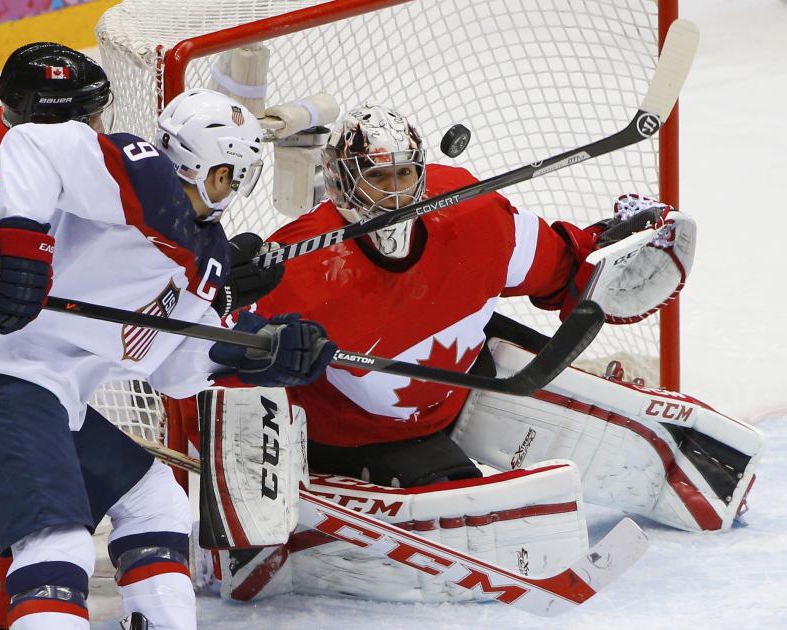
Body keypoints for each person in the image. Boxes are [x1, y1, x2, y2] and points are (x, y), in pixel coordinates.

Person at [185, 102, 762, 603]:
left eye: (404, 174)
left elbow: (563, 270)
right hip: (355, 436)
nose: (393, 192)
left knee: (630, 435)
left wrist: (612, 261)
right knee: (506, 513)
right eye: (374, 179)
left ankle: (692, 476)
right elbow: (210, 369)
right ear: (339, 185)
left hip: (470, 386)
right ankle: (269, 549)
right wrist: (260, 361)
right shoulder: (297, 267)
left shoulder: (471, 212)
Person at [0, 42, 285, 630]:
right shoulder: (28, 190)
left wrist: (207, 277)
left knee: (40, 515)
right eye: (88, 116)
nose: (100, 127)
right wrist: (212, 286)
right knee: (44, 524)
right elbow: (96, 295)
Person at [0, 82, 335, 630]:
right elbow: (31, 145)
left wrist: (259, 352)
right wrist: (22, 251)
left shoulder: (202, 252)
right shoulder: (141, 177)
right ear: (225, 174)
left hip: (46, 392)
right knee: (56, 541)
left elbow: (175, 369)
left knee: (157, 504)